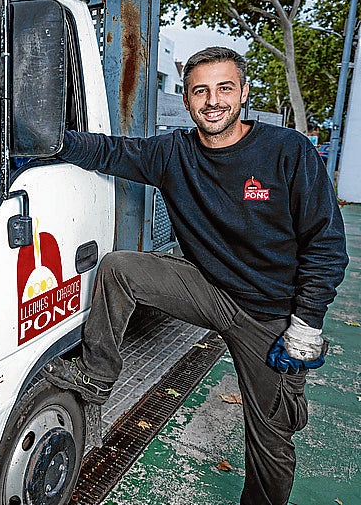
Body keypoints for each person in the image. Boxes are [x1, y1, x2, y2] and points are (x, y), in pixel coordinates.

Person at [42, 46, 348, 505]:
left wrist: (306, 321)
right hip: (209, 289)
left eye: (225, 88)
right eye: (200, 91)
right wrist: (52, 139)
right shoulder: (173, 153)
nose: (213, 101)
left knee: (271, 439)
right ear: (186, 101)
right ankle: (96, 375)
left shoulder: (287, 150)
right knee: (120, 267)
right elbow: (110, 151)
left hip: (269, 315)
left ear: (243, 93)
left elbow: (325, 243)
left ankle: (285, 409)